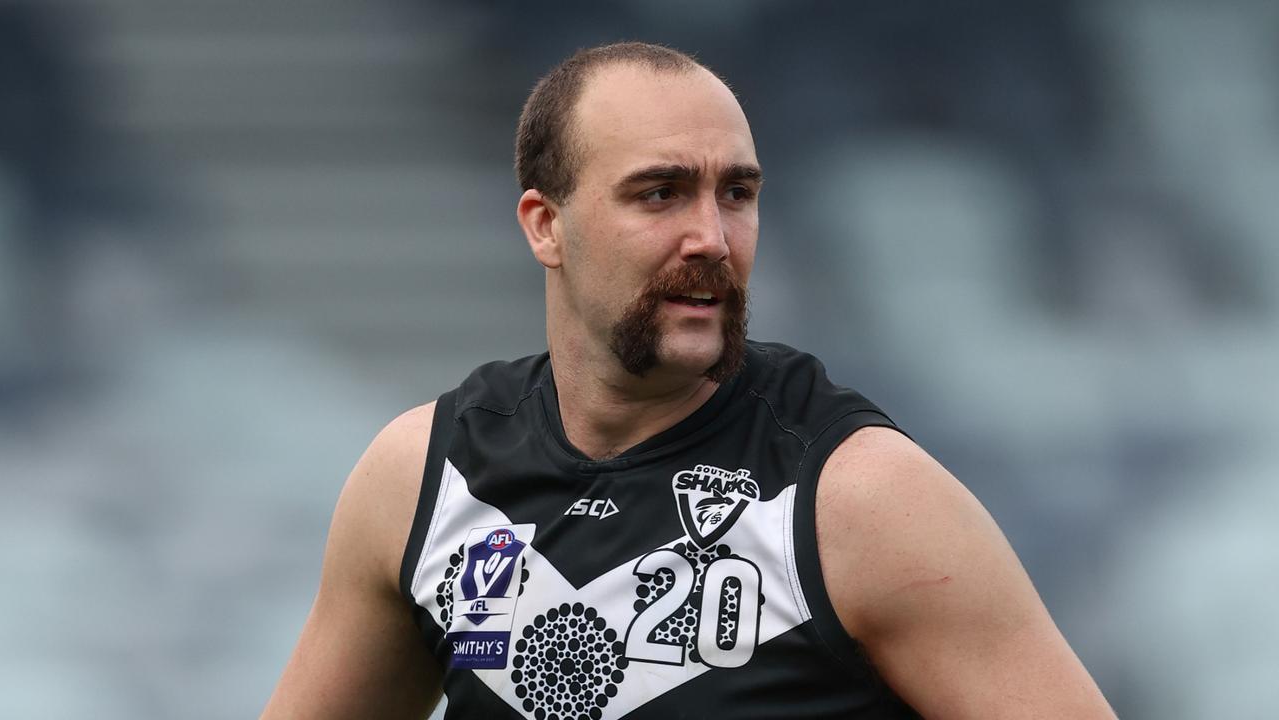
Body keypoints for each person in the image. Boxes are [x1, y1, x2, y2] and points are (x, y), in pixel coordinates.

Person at [262, 42, 1115, 719]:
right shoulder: (425, 477)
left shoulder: (857, 497)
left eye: (736, 193)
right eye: (661, 193)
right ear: (545, 226)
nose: (712, 235)